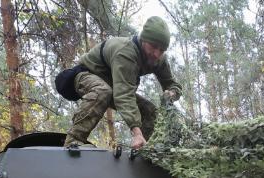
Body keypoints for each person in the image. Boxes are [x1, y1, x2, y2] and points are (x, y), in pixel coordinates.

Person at [62, 16, 182, 149]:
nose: (156, 54)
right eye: (153, 47)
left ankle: (145, 148)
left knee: (149, 110)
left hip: (113, 85)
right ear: (143, 40)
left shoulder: (159, 59)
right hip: (85, 75)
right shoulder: (126, 53)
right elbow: (124, 95)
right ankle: (73, 141)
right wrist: (136, 132)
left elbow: (172, 84)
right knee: (102, 91)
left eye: (162, 49)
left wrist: (172, 93)